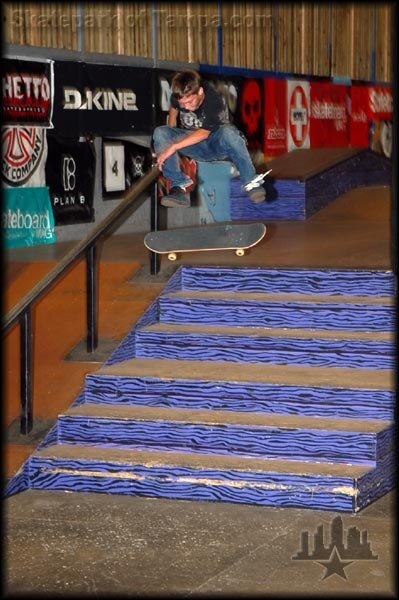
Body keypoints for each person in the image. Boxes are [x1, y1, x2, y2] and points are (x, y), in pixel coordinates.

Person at [152, 70, 266, 208]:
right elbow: (174, 108)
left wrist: (173, 147)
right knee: (160, 132)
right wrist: (169, 136)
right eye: (183, 104)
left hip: (217, 145)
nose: (187, 107)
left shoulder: (214, 101)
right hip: (195, 147)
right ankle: (178, 188)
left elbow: (204, 134)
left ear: (200, 92)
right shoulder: (179, 96)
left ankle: (250, 182)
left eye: (190, 102)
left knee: (229, 132)